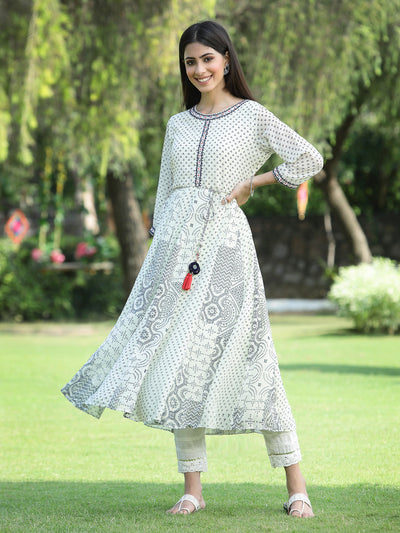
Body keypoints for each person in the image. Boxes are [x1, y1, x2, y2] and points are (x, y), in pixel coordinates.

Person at [62, 20, 323, 518]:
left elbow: (308, 158)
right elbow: (164, 192)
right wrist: (159, 252)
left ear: (226, 60)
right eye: (190, 61)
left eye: (207, 58)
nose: (200, 69)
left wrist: (255, 182)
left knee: (255, 361)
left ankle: (297, 487)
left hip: (226, 252)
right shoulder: (177, 124)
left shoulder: (252, 116)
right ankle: (192, 490)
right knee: (178, 361)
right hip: (174, 254)